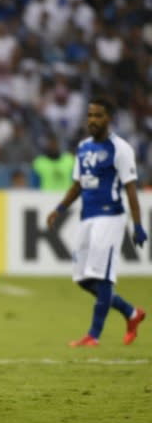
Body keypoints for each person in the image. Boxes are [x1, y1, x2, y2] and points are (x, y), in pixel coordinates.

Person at [46, 96, 147, 347]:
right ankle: (131, 313)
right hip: (87, 217)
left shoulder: (120, 148)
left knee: (102, 277)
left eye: (98, 115)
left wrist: (137, 225)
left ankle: (94, 334)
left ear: (109, 118)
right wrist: (59, 208)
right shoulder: (84, 148)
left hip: (110, 216)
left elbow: (131, 189)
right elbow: (78, 184)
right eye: (90, 115)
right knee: (82, 278)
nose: (92, 120)